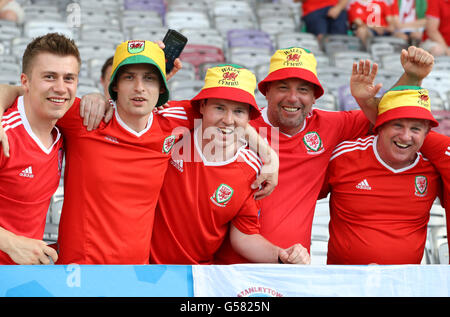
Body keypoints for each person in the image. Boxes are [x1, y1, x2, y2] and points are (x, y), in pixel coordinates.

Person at [214, 45, 437, 264]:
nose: (293, 98)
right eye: (283, 87)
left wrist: (411, 77)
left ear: (314, 98)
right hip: (229, 268)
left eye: (303, 90)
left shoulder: (330, 125)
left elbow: (392, 118)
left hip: (291, 267)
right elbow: (196, 116)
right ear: (266, 92)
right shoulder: (234, 123)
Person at [150, 64, 310, 265]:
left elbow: (244, 236)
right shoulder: (174, 132)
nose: (228, 120)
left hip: (198, 275)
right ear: (202, 107)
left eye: (238, 111)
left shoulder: (252, 170)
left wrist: (282, 255)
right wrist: (99, 100)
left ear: (249, 117)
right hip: (143, 267)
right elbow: (131, 110)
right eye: (219, 108)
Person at [321, 86, 443, 264]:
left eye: (415, 129)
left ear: (427, 133)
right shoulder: (343, 157)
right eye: (397, 125)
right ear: (380, 126)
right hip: (345, 284)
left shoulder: (433, 169)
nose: (405, 136)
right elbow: (304, 196)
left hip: (404, 286)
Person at [0, 33, 79, 264]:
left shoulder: (64, 129)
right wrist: (11, 243)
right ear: (25, 82)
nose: (60, 88)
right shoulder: (5, 134)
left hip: (20, 278)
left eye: (69, 78)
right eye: (49, 77)